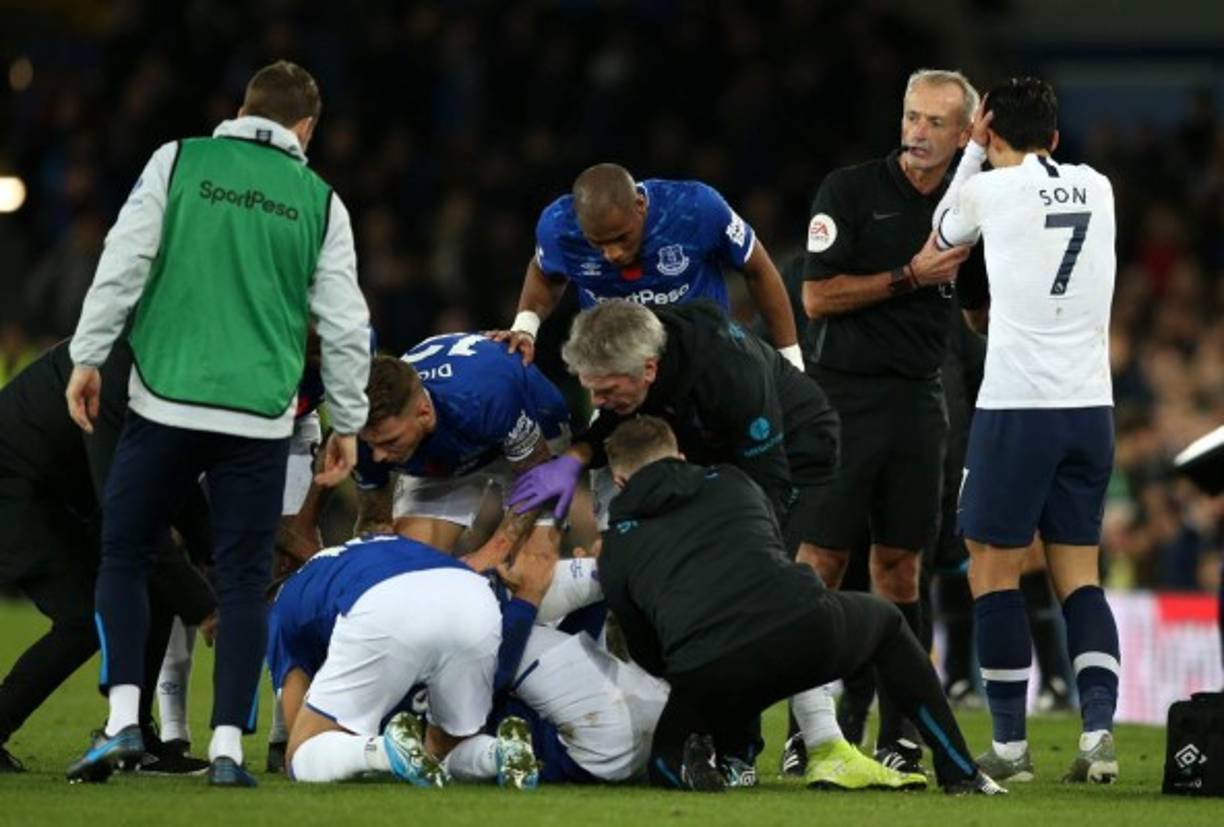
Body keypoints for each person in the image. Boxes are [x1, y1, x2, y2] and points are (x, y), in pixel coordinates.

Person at [63, 60, 371, 786]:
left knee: (126, 553)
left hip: (165, 397)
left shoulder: (179, 161)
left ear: (240, 109)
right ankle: (229, 744)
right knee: (239, 581)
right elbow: (345, 319)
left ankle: (121, 724)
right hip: (261, 418)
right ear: (307, 128)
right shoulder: (321, 200)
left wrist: (87, 354)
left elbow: (124, 260)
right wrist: (347, 418)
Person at [595, 416, 1003, 795]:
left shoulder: (616, 546)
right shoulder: (734, 482)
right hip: (805, 632)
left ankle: (712, 758)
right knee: (889, 623)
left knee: (665, 758)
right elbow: (769, 554)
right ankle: (959, 771)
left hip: (710, 670)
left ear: (619, 480)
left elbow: (642, 644)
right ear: (680, 457)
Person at [932, 76, 1121, 784]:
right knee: (1080, 575)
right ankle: (1097, 732)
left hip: (1017, 407)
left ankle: (1010, 747)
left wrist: (972, 156)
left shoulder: (989, 189)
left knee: (992, 567)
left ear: (987, 129)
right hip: (1091, 408)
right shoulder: (1098, 186)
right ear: (1056, 137)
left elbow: (943, 235)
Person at [796, 68, 980, 774]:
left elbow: (981, 302)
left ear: (965, 135)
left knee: (905, 569)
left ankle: (899, 730)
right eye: (911, 117)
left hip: (918, 402)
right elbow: (816, 297)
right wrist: (910, 274)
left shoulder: (973, 206)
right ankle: (812, 726)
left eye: (936, 122)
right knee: (821, 564)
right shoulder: (850, 191)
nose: (917, 133)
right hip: (842, 399)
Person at [0, 338, 215, 775]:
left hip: (54, 490)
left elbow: (172, 476)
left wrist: (217, 559)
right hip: (12, 486)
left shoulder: (155, 361)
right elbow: (129, 508)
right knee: (83, 617)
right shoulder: (122, 370)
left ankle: (133, 736)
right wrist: (207, 605)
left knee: (156, 590)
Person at [267, 534, 540, 789]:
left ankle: (384, 752)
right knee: (447, 746)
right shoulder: (350, 552)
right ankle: (500, 753)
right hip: (472, 595)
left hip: (382, 601)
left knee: (301, 752)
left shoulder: (278, 610)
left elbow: (295, 721)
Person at [493, 163, 804, 370]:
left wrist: (791, 359)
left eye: (620, 238)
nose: (611, 254)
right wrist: (525, 327)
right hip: (618, 367)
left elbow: (758, 269)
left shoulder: (694, 209)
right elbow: (544, 270)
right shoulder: (558, 228)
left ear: (640, 205)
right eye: (597, 243)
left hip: (705, 358)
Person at [353, 334, 572, 567]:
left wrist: (495, 549)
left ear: (424, 414)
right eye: (371, 444)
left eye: (390, 442)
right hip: (446, 450)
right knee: (408, 567)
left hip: (533, 434)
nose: (379, 456)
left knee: (524, 570)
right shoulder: (364, 435)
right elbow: (374, 523)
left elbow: (539, 475)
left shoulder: (484, 399)